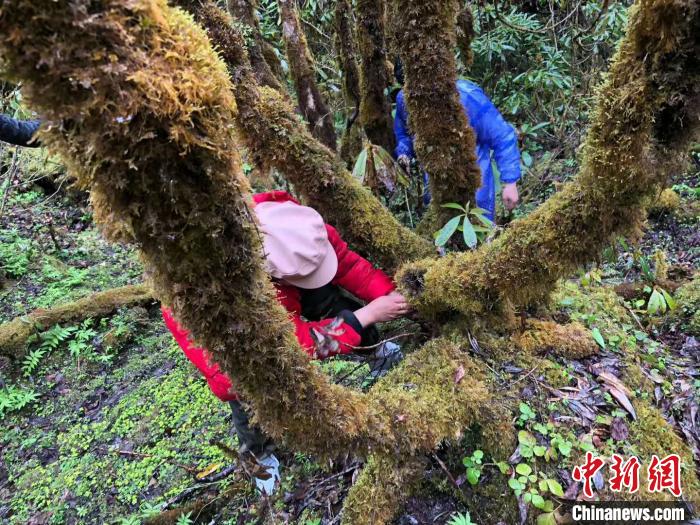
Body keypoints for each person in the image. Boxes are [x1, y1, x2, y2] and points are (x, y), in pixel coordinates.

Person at [162, 191, 410, 494]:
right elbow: (299, 346)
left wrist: (385, 296)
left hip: (281, 284)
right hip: (234, 353)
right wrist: (366, 315)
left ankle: (376, 352)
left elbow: (346, 264)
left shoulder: (296, 225)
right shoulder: (230, 297)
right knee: (246, 396)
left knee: (330, 300)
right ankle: (258, 456)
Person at [393, 61, 521, 220]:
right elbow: (405, 133)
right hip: (435, 190)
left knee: (479, 237)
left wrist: (510, 182)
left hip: (475, 190)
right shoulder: (404, 101)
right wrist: (404, 152)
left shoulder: (465, 96)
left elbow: (501, 136)